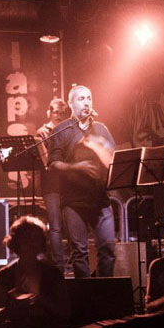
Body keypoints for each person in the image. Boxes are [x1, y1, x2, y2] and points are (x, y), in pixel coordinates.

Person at [46, 85, 117, 279]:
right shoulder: (61, 130)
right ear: (71, 104)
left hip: (100, 199)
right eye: (81, 99)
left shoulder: (101, 129)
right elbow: (53, 164)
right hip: (74, 201)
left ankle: (104, 290)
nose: (86, 103)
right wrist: (77, 167)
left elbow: (114, 158)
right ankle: (84, 294)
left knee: (108, 249)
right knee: (80, 252)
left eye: (89, 98)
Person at [0, 216, 70, 328]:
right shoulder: (4, 275)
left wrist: (42, 301)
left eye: (35, 239)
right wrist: (14, 307)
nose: (31, 244)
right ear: (16, 242)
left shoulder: (53, 274)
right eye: (26, 239)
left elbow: (65, 312)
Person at [35, 97, 73, 272]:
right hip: (51, 184)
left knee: (71, 225)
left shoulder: (68, 129)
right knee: (56, 227)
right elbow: (46, 161)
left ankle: (73, 262)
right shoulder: (42, 132)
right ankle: (59, 266)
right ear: (48, 112)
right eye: (55, 112)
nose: (58, 115)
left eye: (62, 113)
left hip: (68, 183)